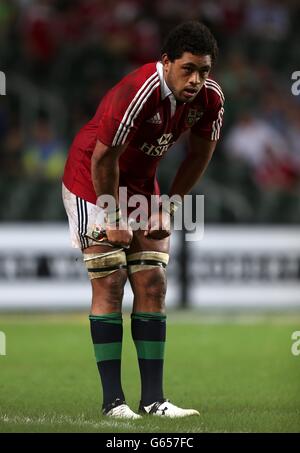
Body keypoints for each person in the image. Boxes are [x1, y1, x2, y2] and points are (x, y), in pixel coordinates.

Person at [62, 21, 224, 419]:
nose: (196, 80)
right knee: (111, 283)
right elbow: (103, 158)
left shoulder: (212, 100)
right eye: (188, 69)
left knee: (152, 282)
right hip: (91, 179)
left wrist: (168, 207)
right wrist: (114, 215)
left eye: (204, 70)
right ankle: (113, 403)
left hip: (139, 184)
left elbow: (199, 155)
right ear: (166, 62)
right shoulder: (139, 91)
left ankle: (153, 401)